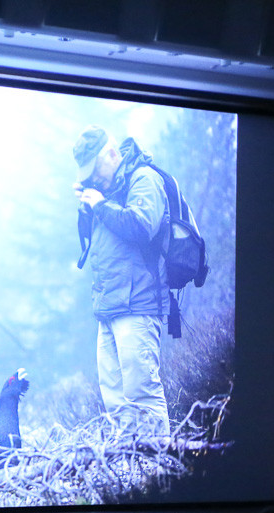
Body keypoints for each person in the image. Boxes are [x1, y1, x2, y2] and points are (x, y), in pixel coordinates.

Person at [71, 124, 171, 438]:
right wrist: (88, 209)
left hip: (138, 304)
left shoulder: (144, 178)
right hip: (108, 308)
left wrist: (100, 204)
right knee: (116, 404)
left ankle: (160, 477)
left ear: (112, 154)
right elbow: (96, 245)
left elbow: (142, 226)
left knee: (142, 395)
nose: (92, 178)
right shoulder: (107, 192)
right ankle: (132, 476)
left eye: (94, 171)